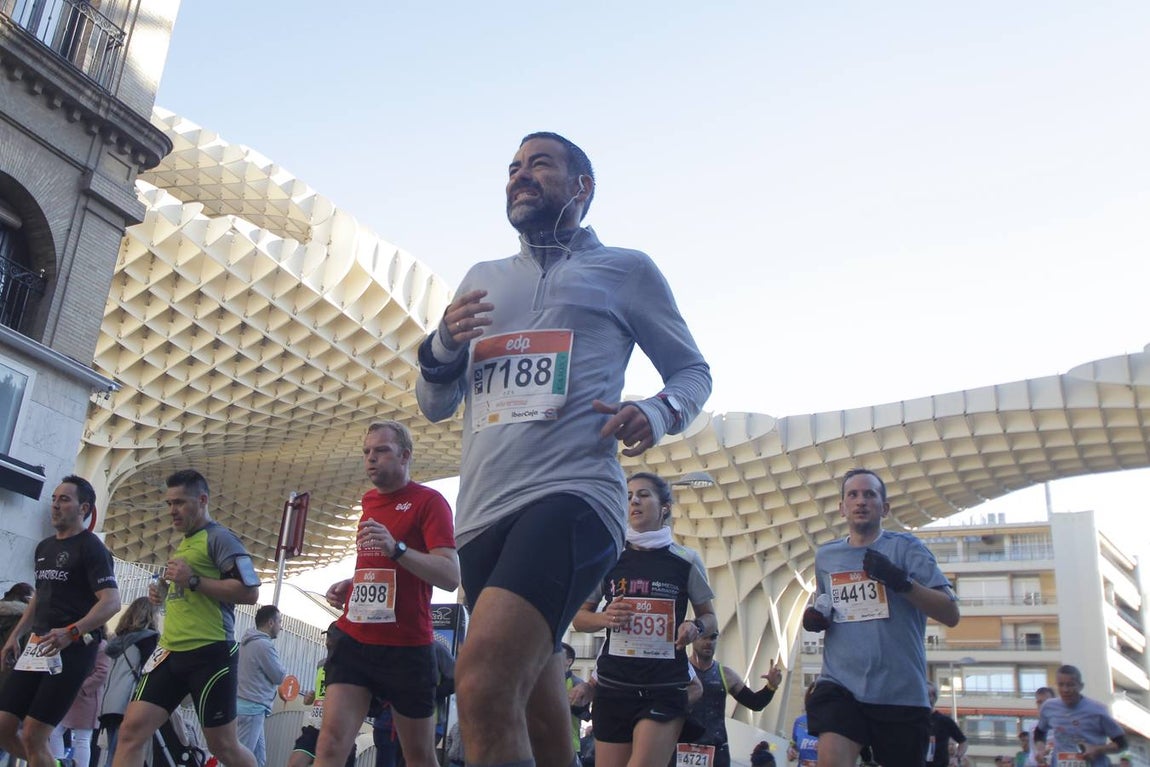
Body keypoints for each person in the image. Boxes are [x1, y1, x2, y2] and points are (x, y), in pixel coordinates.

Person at [416, 131, 711, 767]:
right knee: (540, 722)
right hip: (482, 518)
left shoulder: (626, 270)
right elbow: (435, 404)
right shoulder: (483, 278)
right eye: (513, 167)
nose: (520, 175)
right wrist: (441, 343)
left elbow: (693, 372)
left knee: (483, 680)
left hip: (573, 497)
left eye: (539, 164)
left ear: (582, 188)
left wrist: (657, 412)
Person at [316, 421, 459, 767]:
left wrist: (398, 549)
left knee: (419, 756)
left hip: (407, 648)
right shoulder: (368, 501)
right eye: (367, 452)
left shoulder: (429, 502)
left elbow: (451, 575)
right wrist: (353, 585)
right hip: (355, 638)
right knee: (331, 743)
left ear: (405, 455)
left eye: (381, 451)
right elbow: (379, 563)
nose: (371, 459)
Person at [801, 468, 960, 767]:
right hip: (841, 685)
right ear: (842, 507)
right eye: (853, 495)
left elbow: (951, 613)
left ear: (884, 508)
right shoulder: (827, 557)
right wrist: (816, 617)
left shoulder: (907, 548)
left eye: (870, 494)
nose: (861, 501)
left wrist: (901, 582)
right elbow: (826, 603)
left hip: (899, 693)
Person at [111, 469, 261, 767]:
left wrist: (192, 581)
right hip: (169, 652)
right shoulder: (185, 543)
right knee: (131, 731)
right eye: (168, 504)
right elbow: (188, 592)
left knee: (223, 745)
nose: (172, 511)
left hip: (210, 652)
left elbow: (249, 593)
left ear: (202, 500)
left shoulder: (221, 539)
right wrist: (163, 595)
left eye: (179, 503)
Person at [571, 472, 716, 767]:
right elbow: (579, 619)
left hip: (664, 687)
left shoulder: (685, 560)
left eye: (644, 494)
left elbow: (710, 618)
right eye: (628, 496)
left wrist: (695, 627)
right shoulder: (611, 558)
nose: (634, 500)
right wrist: (604, 617)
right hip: (614, 686)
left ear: (665, 507)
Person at [0, 475, 121, 767]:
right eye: (54, 499)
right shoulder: (44, 548)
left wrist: (72, 632)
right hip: (37, 647)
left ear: (84, 508)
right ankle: (55, 764)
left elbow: (112, 601)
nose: (55, 505)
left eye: (64, 499)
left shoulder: (92, 548)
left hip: (72, 650)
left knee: (33, 734)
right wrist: (14, 636)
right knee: (3, 727)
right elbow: (40, 598)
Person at [683, 630, 782, 767]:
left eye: (712, 637)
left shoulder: (725, 674)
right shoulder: (680, 671)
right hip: (683, 748)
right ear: (693, 639)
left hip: (717, 750)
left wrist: (771, 686)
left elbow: (755, 703)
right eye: (703, 637)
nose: (708, 642)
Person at [99, 598, 160, 767]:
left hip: (109, 704)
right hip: (130, 704)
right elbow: (150, 671)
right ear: (150, 616)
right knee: (126, 756)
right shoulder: (148, 640)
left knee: (112, 756)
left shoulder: (117, 641)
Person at [288, 626, 356, 767]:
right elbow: (322, 691)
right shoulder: (321, 665)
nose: (328, 641)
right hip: (315, 728)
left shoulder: (353, 667)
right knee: (295, 763)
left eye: (333, 637)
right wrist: (310, 698)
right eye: (328, 636)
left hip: (340, 734)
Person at [1033, 665, 1127, 767]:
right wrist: (1040, 749)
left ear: (1081, 686)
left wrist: (1097, 749)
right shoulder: (1049, 707)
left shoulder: (1098, 710)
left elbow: (1122, 743)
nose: (1065, 690)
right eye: (1061, 685)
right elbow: (1039, 732)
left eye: (1070, 685)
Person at [236, 605, 288, 767]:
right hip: (253, 708)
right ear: (271, 623)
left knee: (258, 760)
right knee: (241, 760)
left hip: (246, 707)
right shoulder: (264, 646)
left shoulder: (247, 641)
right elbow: (279, 675)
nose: (281, 626)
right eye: (279, 621)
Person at [51, 639, 111, 767]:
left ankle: (66, 763)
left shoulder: (101, 645)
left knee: (82, 738)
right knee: (55, 731)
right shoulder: (75, 642)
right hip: (72, 695)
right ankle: (58, 762)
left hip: (86, 699)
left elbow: (103, 672)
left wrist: (81, 687)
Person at [926, 682, 966, 767]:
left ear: (934, 697)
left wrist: (956, 758)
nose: (926, 698)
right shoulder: (913, 720)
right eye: (923, 694)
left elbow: (963, 742)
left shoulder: (945, 721)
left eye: (928, 695)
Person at [561, 643, 590, 756]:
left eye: (558, 654)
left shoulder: (578, 684)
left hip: (569, 745)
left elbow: (586, 715)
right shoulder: (541, 679)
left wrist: (568, 703)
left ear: (569, 661)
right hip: (540, 744)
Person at [786, 684, 819, 767]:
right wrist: (791, 750)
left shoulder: (832, 723)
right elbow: (793, 743)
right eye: (811, 697)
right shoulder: (799, 721)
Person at [1024, 688, 1055, 767]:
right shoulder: (1033, 727)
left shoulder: (1065, 724)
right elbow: (1033, 753)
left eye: (1046, 702)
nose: (1043, 705)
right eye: (1039, 702)